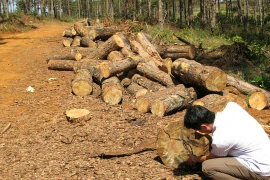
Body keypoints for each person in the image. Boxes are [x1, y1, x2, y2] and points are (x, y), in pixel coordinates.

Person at [184, 101, 270, 180]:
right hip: (265, 156)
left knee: (207, 167)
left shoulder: (221, 139)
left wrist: (194, 158)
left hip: (261, 169)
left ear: (204, 127)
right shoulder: (232, 107)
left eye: (197, 129)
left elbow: (210, 158)